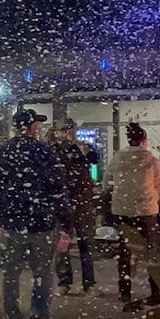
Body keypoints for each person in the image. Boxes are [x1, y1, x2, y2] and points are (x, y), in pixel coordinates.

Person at [0, 109, 72, 319]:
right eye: (37, 124)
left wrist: (0, 216)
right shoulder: (44, 152)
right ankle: (39, 318)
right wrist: (65, 218)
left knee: (11, 273)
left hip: (13, 223)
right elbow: (57, 188)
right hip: (40, 222)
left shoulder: (1, 153)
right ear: (33, 127)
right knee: (43, 272)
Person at [103, 123, 160, 312]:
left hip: (123, 211)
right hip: (146, 212)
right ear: (144, 141)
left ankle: (124, 291)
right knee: (150, 252)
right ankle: (155, 291)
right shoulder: (150, 160)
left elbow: (106, 181)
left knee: (125, 252)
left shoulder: (118, 158)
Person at [52, 118, 100, 296]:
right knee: (62, 245)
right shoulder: (54, 151)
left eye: (69, 129)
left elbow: (95, 159)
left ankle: (89, 283)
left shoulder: (82, 148)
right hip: (63, 204)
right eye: (63, 130)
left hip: (82, 204)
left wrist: (82, 148)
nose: (66, 133)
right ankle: (64, 281)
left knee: (85, 243)